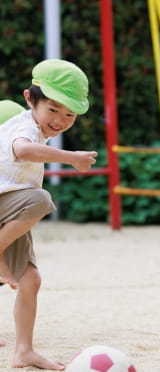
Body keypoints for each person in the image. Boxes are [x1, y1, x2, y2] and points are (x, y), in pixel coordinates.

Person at [0, 59, 97, 369]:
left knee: (30, 279)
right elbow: (23, 151)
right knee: (39, 200)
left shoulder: (39, 130)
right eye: (53, 110)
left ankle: (24, 351)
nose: (60, 120)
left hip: (9, 205)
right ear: (30, 99)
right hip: (10, 202)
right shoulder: (24, 125)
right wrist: (71, 158)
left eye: (69, 114)